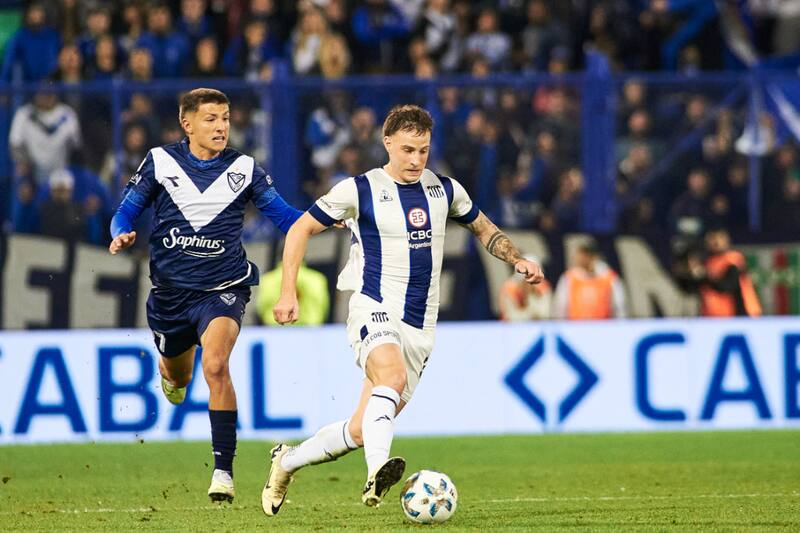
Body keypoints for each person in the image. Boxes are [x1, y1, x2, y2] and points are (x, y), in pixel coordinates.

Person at [262, 104, 544, 515]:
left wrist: (515, 259)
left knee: (361, 429)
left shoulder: (445, 190)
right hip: (371, 304)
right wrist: (289, 291)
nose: (415, 160)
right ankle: (378, 472)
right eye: (408, 149)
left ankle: (285, 462)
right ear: (387, 142)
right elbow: (301, 227)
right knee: (389, 377)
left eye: (424, 151)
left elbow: (484, 228)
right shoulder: (358, 189)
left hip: (419, 326)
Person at [107, 88, 303, 503]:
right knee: (180, 378)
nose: (221, 127)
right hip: (170, 296)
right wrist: (119, 232)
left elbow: (284, 216)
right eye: (211, 119)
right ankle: (173, 372)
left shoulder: (245, 169)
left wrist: (323, 219)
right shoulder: (161, 162)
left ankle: (223, 473)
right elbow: (126, 209)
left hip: (223, 289)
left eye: (226, 118)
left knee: (215, 365)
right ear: (187, 123)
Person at [689, 228, 762, 317]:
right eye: (712, 238)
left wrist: (704, 275)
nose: (716, 242)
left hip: (741, 316)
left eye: (720, 238)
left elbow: (727, 286)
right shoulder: (707, 262)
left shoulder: (733, 259)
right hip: (713, 317)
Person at [552, 240, 626, 320]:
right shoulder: (569, 277)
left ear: (594, 256)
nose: (580, 258)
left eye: (585, 255)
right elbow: (560, 305)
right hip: (575, 327)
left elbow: (619, 305)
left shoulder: (609, 277)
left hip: (603, 326)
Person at [256, 262, 329, 326]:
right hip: (309, 331)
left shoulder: (268, 280)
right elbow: (323, 306)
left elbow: (261, 308)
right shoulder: (317, 279)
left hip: (276, 330)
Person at [499, 255, 552, 321]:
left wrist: (531, 296)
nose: (529, 284)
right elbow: (512, 318)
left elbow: (545, 314)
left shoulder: (543, 287)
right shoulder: (509, 289)